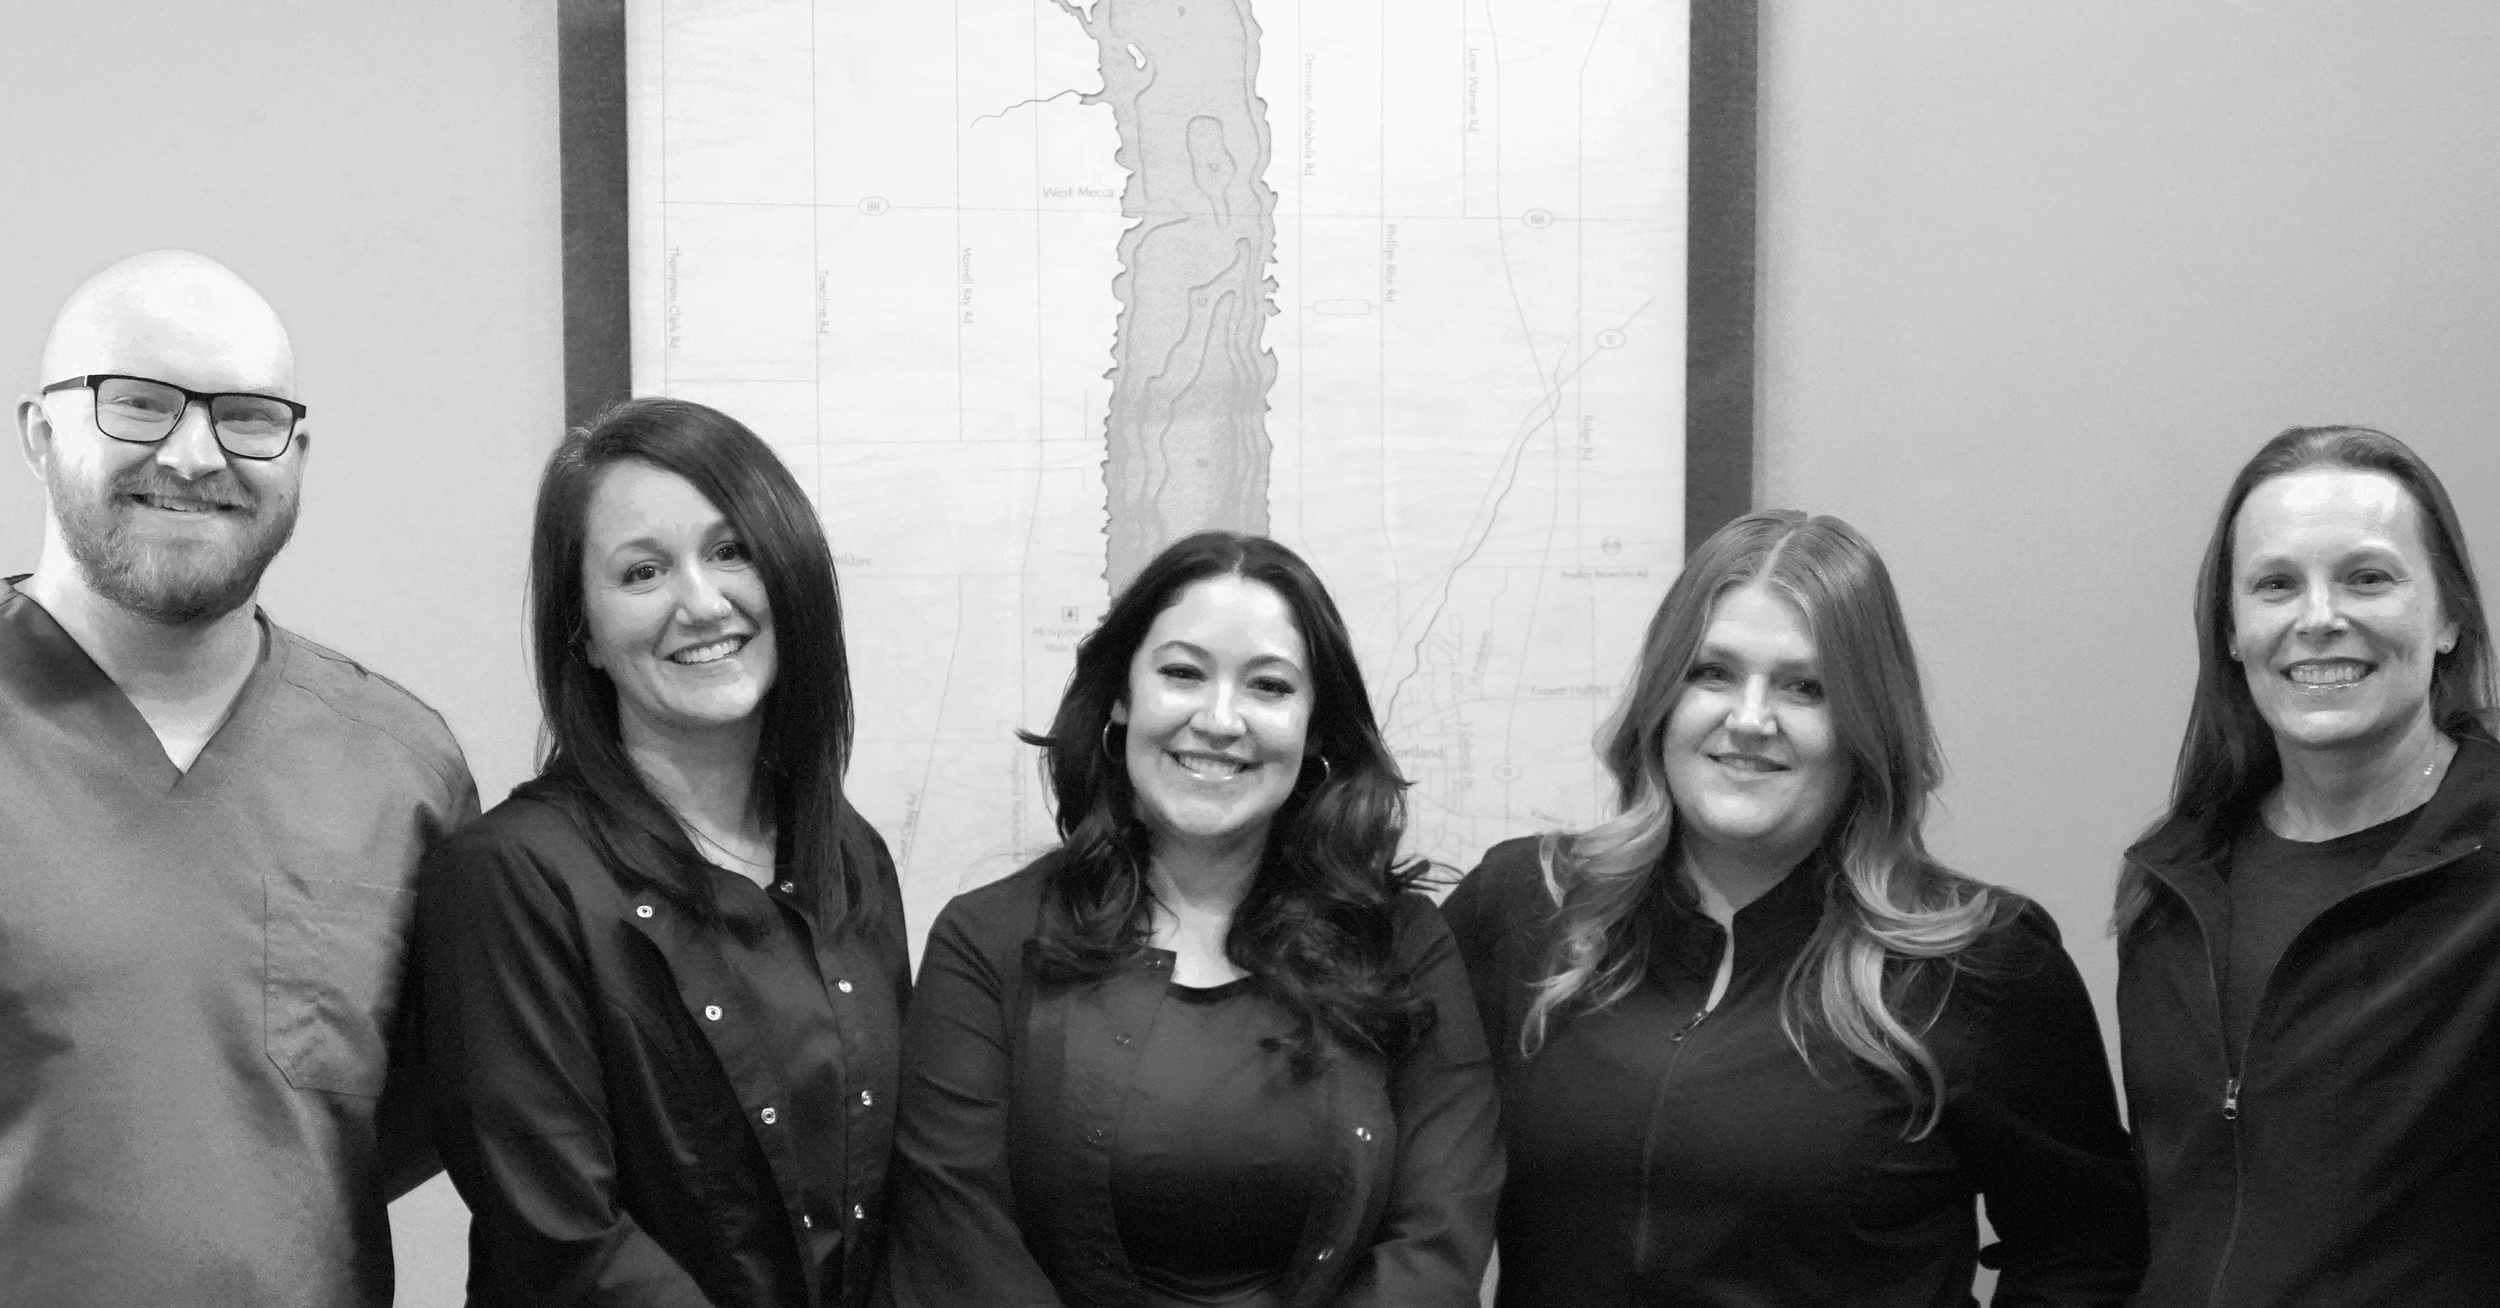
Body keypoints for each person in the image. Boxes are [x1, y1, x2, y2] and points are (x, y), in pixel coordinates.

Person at [1445, 509, 2144, 1307]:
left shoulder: (1979, 962)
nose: (1749, 720)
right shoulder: (1525, 905)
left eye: (1805, 687)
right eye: (1712, 673)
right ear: (1662, 696)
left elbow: (2086, 1251)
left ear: (1867, 723)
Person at [0, 250, 477, 1306]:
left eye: (247, 417)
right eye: (138, 403)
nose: (191, 454)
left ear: (296, 453)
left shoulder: (401, 767)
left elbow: (423, 1106)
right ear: (38, 434)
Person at [883, 530, 1501, 1308]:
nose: (1220, 719)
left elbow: (1440, 1234)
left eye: (1269, 686)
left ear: (1316, 726)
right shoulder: (987, 942)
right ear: (1121, 696)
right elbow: (961, 1248)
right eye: (1182, 673)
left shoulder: (1403, 943)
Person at [417, 397, 907, 1307]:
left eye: (732, 551)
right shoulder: (510, 879)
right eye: (643, 572)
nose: (703, 602)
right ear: (584, 632)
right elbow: (562, 1241)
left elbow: (884, 1194)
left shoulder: (849, 854)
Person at [2115, 426, 2500, 1305]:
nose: (2318, 617)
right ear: (2233, 630)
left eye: (2368, 577)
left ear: (2449, 618)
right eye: (2276, 584)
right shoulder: (2172, 885)